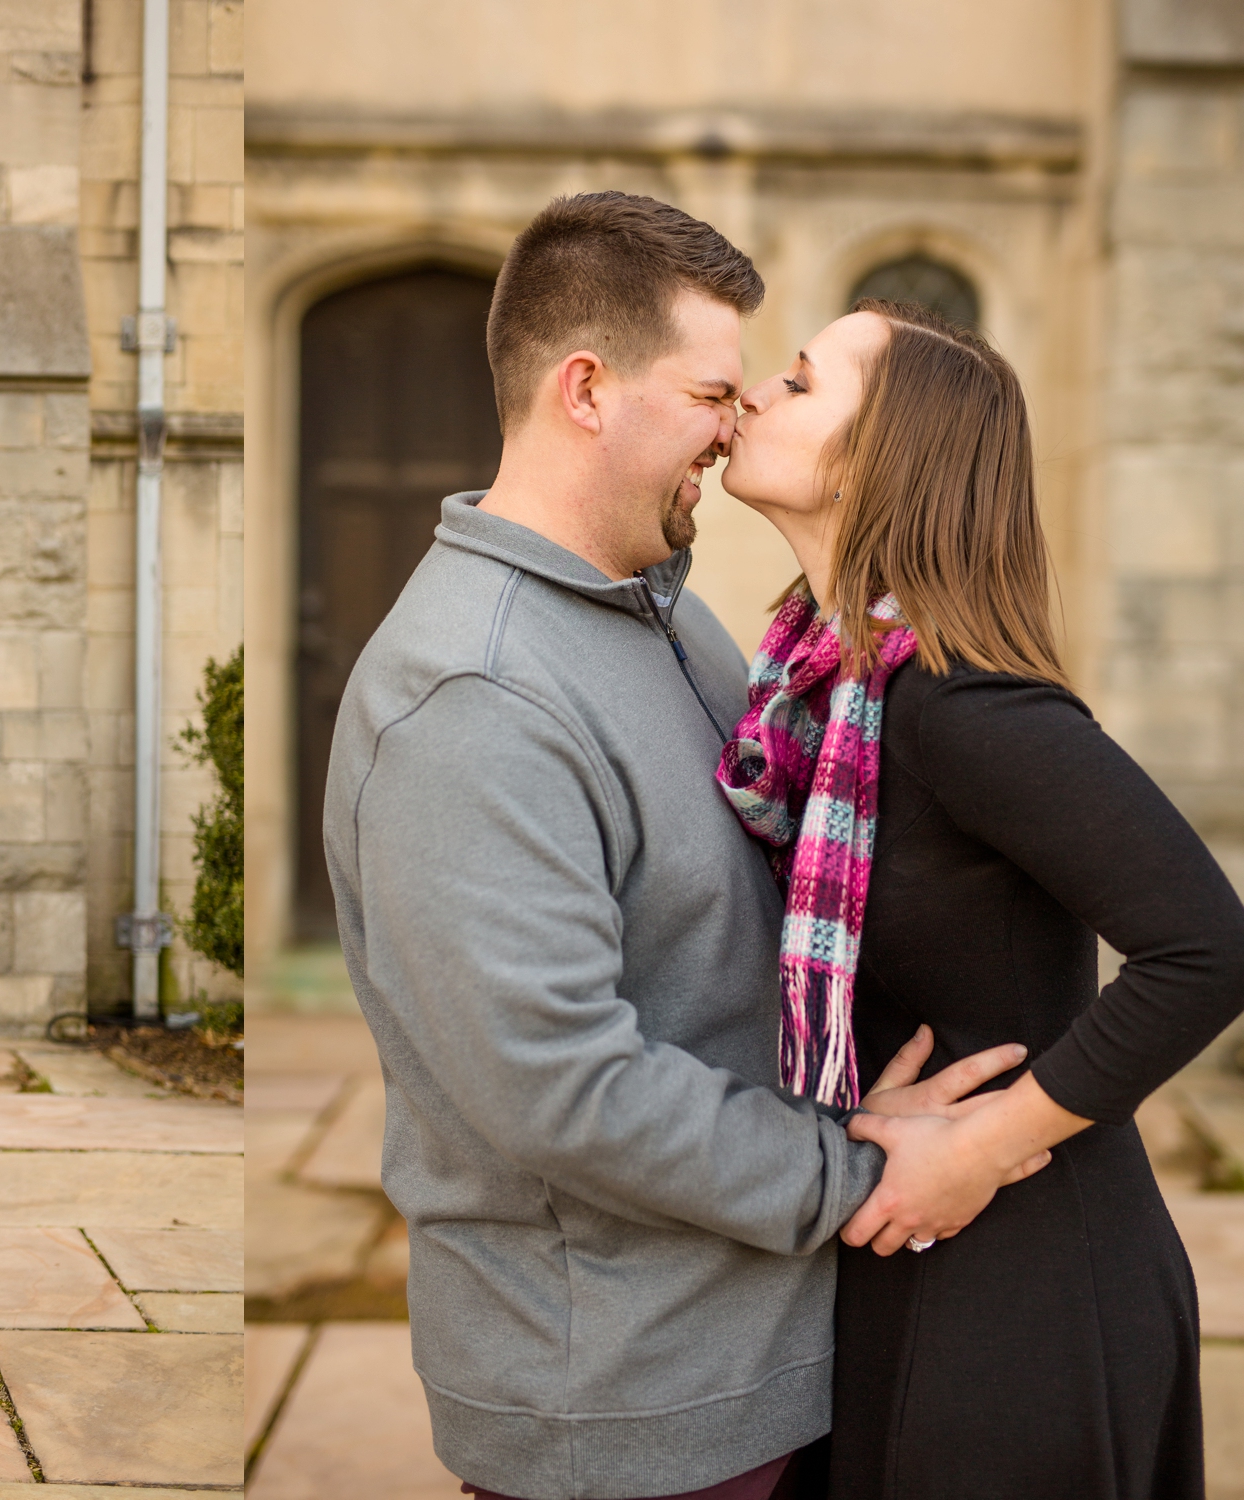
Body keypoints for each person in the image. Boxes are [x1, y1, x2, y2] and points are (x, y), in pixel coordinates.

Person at [321, 192, 1042, 1500]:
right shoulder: (474, 697)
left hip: (745, 1361)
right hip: (624, 1410)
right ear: (587, 390)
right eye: (715, 391)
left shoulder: (665, 617)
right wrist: (867, 1163)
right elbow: (562, 1089)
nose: (740, 422)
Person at [717, 298, 1244, 1499]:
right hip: (903, 1255)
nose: (754, 393)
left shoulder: (963, 708)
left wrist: (982, 1149)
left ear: (878, 458)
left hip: (1021, 1296)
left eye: (799, 384)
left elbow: (1204, 947)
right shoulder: (811, 701)